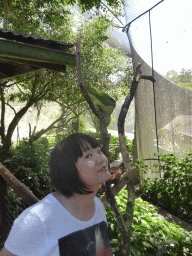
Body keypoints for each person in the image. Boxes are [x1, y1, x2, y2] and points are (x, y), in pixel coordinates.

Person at [0, 133, 112, 256]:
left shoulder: (97, 207)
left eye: (99, 151)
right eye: (88, 156)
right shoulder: (37, 219)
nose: (101, 158)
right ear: (68, 169)